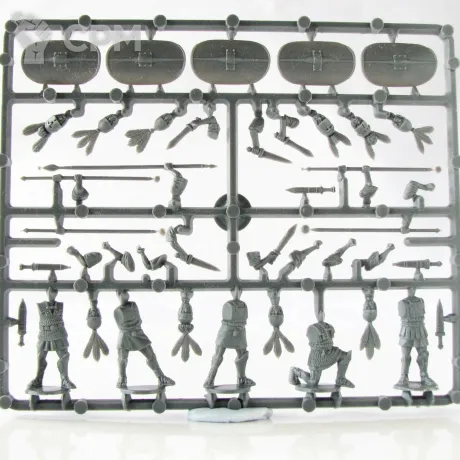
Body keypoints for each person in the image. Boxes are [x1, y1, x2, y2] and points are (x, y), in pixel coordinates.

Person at [114, 289, 175, 389]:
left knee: (151, 355)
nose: (125, 296)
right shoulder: (117, 311)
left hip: (137, 333)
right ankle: (122, 378)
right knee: (122, 358)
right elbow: (121, 325)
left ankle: (161, 377)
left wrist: (135, 329)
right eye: (122, 294)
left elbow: (138, 319)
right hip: (125, 335)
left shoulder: (133, 305)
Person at [28, 286, 76, 390]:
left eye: (54, 292)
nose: (51, 294)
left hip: (59, 333)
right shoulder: (41, 306)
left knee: (64, 356)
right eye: (50, 292)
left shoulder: (60, 305)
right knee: (40, 357)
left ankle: (65, 379)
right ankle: (38, 379)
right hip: (44, 334)